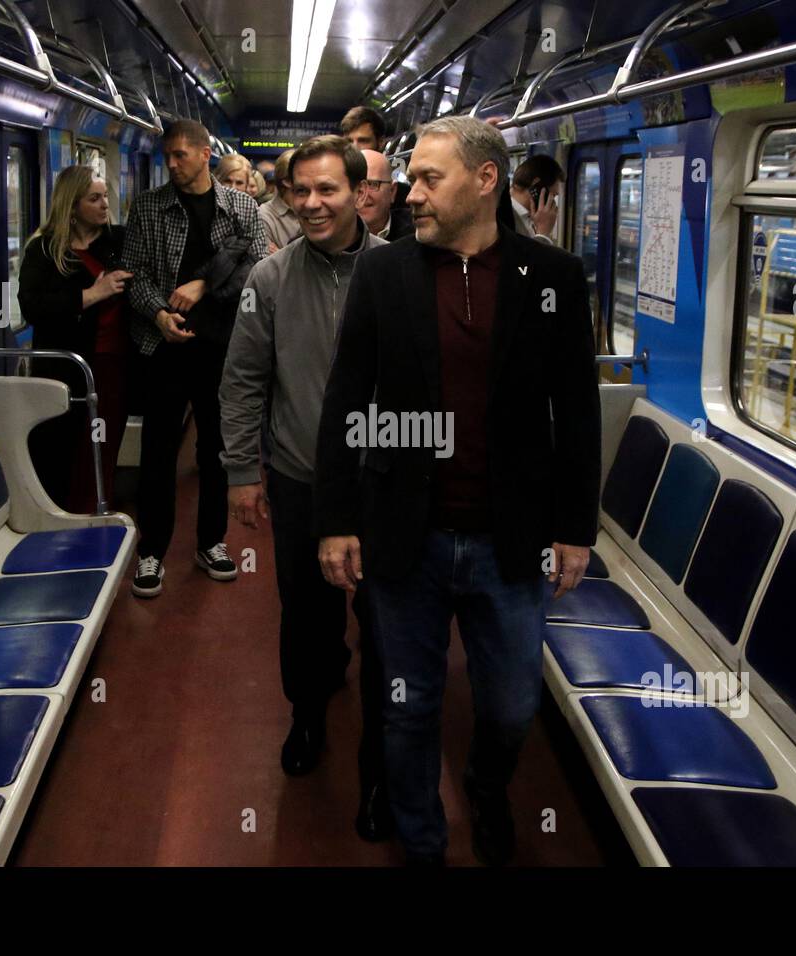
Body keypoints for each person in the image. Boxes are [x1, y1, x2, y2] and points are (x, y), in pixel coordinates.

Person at [314, 116, 600, 866]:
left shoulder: (553, 279)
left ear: (485, 181)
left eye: (427, 179)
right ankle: (421, 841)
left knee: (511, 707)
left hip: (511, 538)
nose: (409, 194)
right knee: (408, 711)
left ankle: (484, 785)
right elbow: (348, 399)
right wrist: (337, 519)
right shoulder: (386, 275)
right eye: (408, 179)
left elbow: (575, 410)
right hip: (408, 535)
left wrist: (576, 527)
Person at [221, 135, 393, 837]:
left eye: (328, 190)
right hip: (299, 477)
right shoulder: (269, 280)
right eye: (302, 191)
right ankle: (307, 715)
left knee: (386, 627)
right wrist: (239, 471)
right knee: (308, 616)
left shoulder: (401, 275)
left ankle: (380, 763)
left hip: (383, 483)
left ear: (361, 193)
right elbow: (243, 379)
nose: (314, 203)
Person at [122, 119, 267, 596]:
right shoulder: (148, 207)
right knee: (158, 452)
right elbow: (136, 273)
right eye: (167, 156)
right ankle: (151, 550)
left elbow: (256, 268)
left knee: (215, 452)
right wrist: (160, 314)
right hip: (164, 346)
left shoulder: (241, 205)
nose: (172, 164)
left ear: (205, 154)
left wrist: (204, 284)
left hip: (223, 345)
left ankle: (212, 541)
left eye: (180, 155)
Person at [18, 166, 132, 514]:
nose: (103, 206)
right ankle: (62, 510)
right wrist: (89, 295)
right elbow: (32, 306)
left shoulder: (117, 241)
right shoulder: (45, 250)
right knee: (62, 440)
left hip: (113, 360)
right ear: (72, 205)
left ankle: (98, 505)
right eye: (94, 199)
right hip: (66, 364)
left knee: (103, 439)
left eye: (105, 198)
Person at [508, 153, 565, 244]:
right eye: (553, 195)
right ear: (536, 186)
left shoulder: (531, 218)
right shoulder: (502, 217)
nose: (553, 203)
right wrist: (543, 233)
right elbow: (527, 258)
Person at [359, 149, 413, 240]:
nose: (362, 194)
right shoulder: (331, 236)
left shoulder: (416, 231)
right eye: (356, 185)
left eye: (372, 184)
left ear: (392, 191)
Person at [257, 148, 300, 253]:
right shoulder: (264, 214)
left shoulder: (312, 207)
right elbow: (269, 264)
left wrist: (281, 254)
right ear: (287, 181)